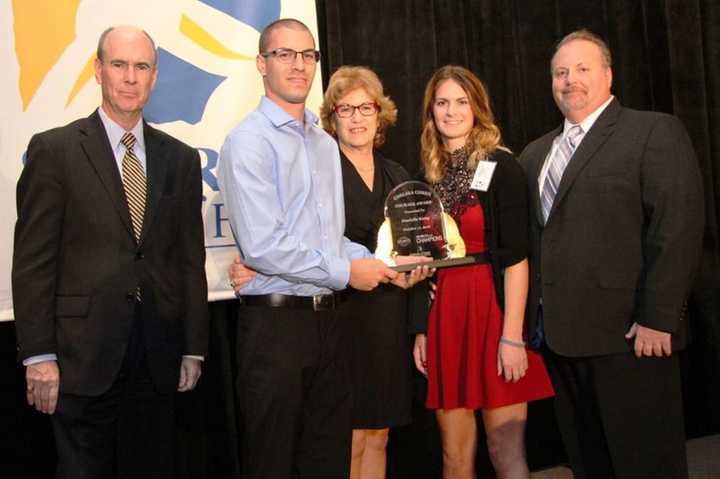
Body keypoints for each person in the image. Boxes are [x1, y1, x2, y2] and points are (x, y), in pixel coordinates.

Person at [217, 20, 426, 479]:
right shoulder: (247, 142)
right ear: (261, 64)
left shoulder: (321, 144)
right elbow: (265, 245)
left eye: (307, 55)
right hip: (276, 328)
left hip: (329, 326)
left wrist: (386, 266)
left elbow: (331, 240)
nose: (298, 65)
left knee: (327, 459)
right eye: (284, 55)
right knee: (272, 462)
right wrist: (350, 271)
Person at [12, 25, 209, 478]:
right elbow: (33, 263)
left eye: (141, 66)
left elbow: (188, 261)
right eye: (118, 64)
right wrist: (38, 356)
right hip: (81, 359)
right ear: (98, 71)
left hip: (157, 357)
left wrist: (193, 347)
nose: (130, 77)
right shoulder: (55, 150)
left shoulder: (180, 158)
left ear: (155, 76)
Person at [518, 29, 704, 479]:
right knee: (589, 462)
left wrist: (659, 316)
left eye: (582, 69)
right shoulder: (533, 154)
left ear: (608, 74)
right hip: (559, 341)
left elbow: (676, 227)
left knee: (645, 463)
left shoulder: (652, 131)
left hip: (631, 338)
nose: (570, 80)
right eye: (561, 72)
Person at [412, 65, 554, 479]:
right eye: (442, 103)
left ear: (477, 108)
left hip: (494, 315)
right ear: (431, 112)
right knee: (454, 456)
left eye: (461, 102)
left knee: (504, 449)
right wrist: (422, 326)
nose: (451, 112)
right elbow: (420, 260)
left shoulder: (502, 167)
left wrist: (513, 337)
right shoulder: (426, 176)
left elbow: (517, 259)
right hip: (446, 319)